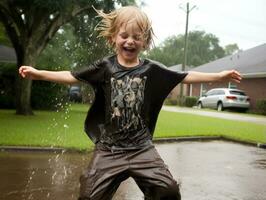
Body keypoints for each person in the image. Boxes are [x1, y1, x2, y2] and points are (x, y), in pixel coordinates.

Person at [19, 6, 242, 200]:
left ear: (144, 41)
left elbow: (185, 76)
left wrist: (220, 76)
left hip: (141, 148)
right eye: (124, 35)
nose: (130, 41)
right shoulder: (105, 67)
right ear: (113, 38)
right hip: (109, 148)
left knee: (169, 190)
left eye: (137, 36)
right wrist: (39, 74)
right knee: (89, 194)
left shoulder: (151, 69)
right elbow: (72, 76)